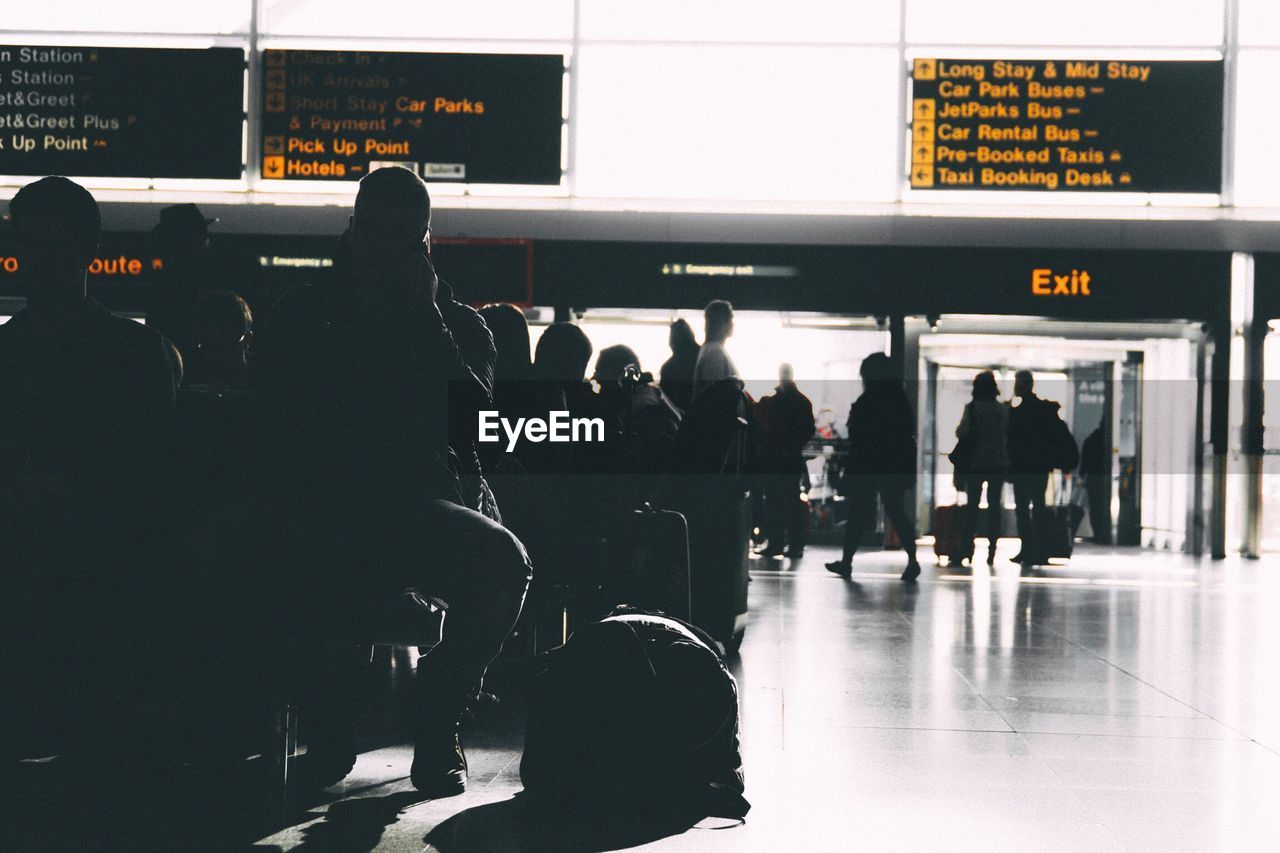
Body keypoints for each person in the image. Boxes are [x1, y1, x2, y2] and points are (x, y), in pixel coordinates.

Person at [259, 166, 531, 797]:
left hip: (407, 504)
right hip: (335, 502)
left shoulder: (454, 326)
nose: (378, 248)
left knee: (504, 564)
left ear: (422, 246)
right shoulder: (305, 312)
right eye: (371, 231)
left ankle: (425, 715)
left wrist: (422, 316)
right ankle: (385, 715)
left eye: (395, 238)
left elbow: (472, 428)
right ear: (353, 229)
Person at [0, 176, 178, 713]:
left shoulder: (10, 351)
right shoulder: (138, 351)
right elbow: (151, 466)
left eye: (48, 245)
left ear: (84, 252)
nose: (35, 259)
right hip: (108, 545)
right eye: (28, 244)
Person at [826, 353, 921, 582]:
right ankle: (912, 560)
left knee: (857, 513)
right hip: (893, 466)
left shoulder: (866, 401)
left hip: (867, 465)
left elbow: (858, 436)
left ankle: (847, 562)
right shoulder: (900, 401)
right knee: (896, 512)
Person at [754, 364, 815, 558]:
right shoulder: (802, 402)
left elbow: (766, 428)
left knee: (774, 502)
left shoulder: (774, 402)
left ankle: (776, 543)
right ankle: (795, 545)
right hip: (792, 459)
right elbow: (808, 430)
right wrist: (793, 447)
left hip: (774, 459)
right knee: (792, 502)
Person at [1006, 369, 1062, 566]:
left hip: (1022, 467)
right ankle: (1041, 549)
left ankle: (1027, 548)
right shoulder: (1043, 410)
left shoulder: (1018, 413)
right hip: (1039, 467)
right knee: (1038, 507)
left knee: (1022, 509)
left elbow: (1013, 441)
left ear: (1022, 385)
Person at [955, 371, 1009, 566]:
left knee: (972, 508)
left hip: (976, 463)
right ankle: (991, 552)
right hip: (998, 463)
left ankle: (967, 550)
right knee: (994, 508)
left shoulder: (972, 409)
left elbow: (962, 432)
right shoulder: (1002, 409)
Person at [184, 289, 254, 390]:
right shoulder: (187, 376)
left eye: (224, 346)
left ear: (247, 339)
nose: (215, 356)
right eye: (207, 345)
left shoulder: (264, 383)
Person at [693, 300, 738, 398]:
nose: (733, 324)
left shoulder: (711, 349)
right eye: (730, 319)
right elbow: (716, 396)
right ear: (722, 322)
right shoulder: (714, 351)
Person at [1080, 420, 1111, 545]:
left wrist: (1082, 474)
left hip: (1093, 478)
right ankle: (1104, 533)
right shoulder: (1108, 441)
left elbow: (1085, 459)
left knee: (1094, 507)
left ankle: (1097, 533)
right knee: (1104, 507)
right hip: (1104, 478)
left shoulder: (1091, 439)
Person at [659, 318, 700, 413]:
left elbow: (664, 400)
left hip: (679, 420)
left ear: (672, 340)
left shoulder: (668, 368)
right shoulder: (704, 357)